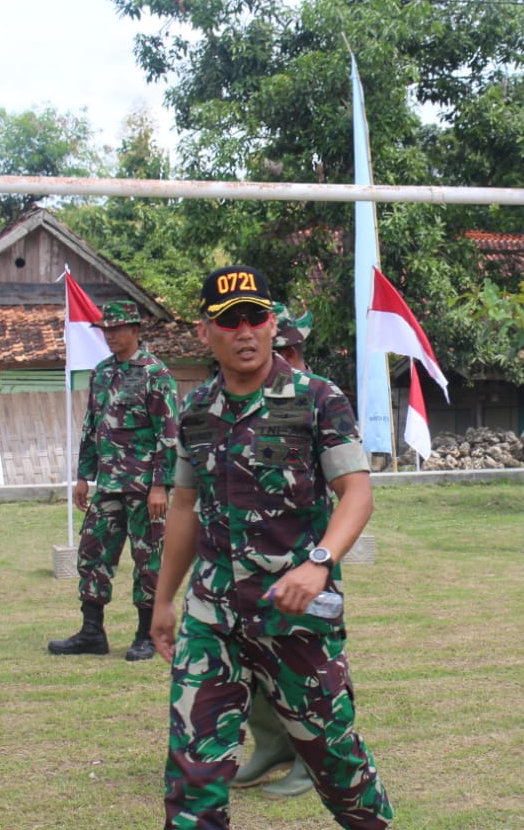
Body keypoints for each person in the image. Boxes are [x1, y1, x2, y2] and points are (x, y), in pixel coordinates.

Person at [153, 265, 391, 828]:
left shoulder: (315, 398)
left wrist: (319, 563)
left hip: (295, 615)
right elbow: (184, 508)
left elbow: (356, 493)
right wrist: (164, 601)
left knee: (335, 760)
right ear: (205, 331)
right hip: (211, 616)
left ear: (271, 323)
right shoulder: (195, 411)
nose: (245, 331)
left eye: (256, 318)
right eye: (229, 320)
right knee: (192, 772)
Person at [48, 300, 179, 661]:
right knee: (92, 554)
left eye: (117, 329)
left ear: (135, 330)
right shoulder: (102, 372)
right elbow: (92, 426)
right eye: (106, 330)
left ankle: (145, 634)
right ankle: (92, 632)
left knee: (147, 559)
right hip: (107, 485)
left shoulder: (156, 373)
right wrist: (82, 477)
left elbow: (168, 434)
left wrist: (159, 485)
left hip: (142, 488)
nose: (110, 336)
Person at [230, 301, 317, 800]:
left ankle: (311, 759)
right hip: (244, 559)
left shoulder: (308, 397)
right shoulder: (244, 396)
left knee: (299, 666)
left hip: (297, 558)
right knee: (251, 664)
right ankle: (271, 745)